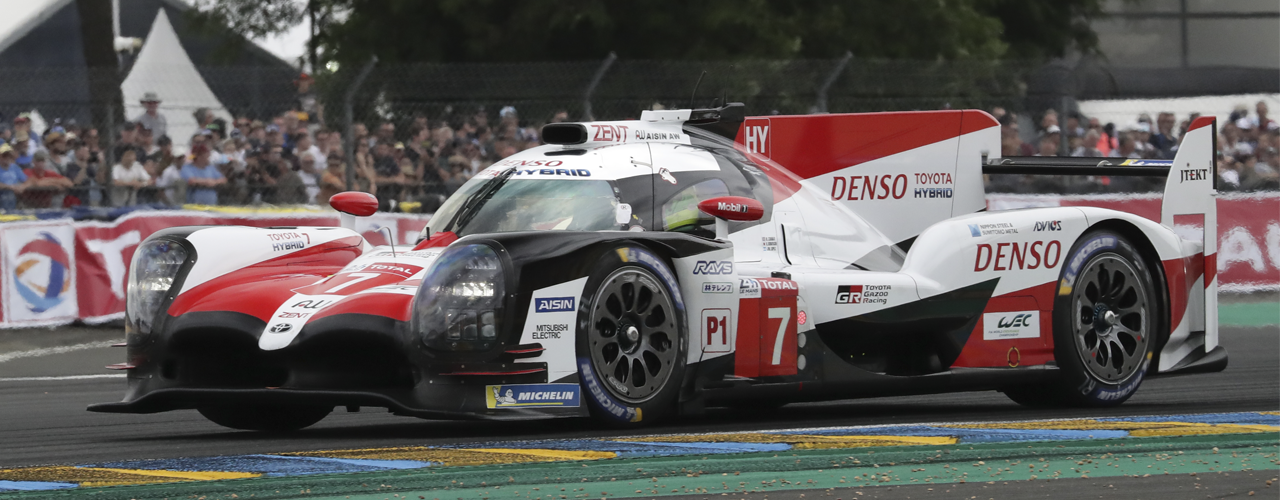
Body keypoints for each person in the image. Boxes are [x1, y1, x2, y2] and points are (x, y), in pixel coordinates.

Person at [0, 143, 28, 210]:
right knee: (7, 195)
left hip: (16, 196)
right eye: (4, 156)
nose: (7, 158)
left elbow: (27, 180)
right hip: (2, 195)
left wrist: (22, 187)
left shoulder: (15, 167)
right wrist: (10, 187)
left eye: (9, 156)